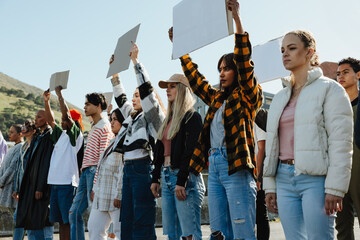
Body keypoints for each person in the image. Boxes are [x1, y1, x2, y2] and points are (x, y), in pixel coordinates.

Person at [170, 0, 262, 238]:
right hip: (215, 166)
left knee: (242, 229)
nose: (221, 72)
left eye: (227, 68)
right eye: (219, 68)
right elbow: (197, 80)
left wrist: (237, 19)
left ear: (237, 72)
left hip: (237, 167)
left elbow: (244, 60)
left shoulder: (248, 96)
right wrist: (181, 49)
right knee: (218, 231)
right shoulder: (216, 98)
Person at [263, 30, 353, 240]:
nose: (285, 54)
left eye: (292, 48)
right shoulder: (279, 97)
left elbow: (341, 142)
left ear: (309, 52)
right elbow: (272, 144)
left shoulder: (331, 89)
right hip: (283, 178)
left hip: (316, 180)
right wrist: (270, 185)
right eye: (283, 50)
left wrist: (335, 188)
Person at [109, 42, 165, 240]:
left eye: (137, 96)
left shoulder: (151, 115)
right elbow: (120, 99)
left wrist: (135, 62)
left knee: (142, 219)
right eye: (133, 96)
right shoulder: (131, 117)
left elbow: (147, 91)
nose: (133, 99)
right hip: (129, 169)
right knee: (128, 219)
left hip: (142, 167)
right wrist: (115, 75)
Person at [150, 74, 205, 240]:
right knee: (172, 233)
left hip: (183, 177)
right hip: (166, 176)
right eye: (167, 86)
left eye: (172, 86)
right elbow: (159, 152)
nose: (167, 90)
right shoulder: (168, 120)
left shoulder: (192, 117)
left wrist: (181, 180)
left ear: (182, 90)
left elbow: (191, 152)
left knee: (189, 234)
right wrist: (155, 178)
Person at [69, 92, 113, 240]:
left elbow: (103, 157)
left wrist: (95, 185)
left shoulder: (105, 127)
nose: (84, 106)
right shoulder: (94, 126)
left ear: (98, 106)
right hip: (85, 172)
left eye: (88, 104)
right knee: (74, 213)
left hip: (94, 172)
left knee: (96, 219)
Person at [43, 87, 84, 240]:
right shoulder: (61, 135)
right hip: (54, 183)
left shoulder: (76, 137)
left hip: (68, 184)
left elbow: (66, 116)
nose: (62, 122)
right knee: (60, 222)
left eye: (65, 120)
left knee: (68, 222)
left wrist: (59, 95)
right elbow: (51, 121)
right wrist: (46, 102)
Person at [16, 110, 55, 240]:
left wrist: (40, 187)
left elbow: (45, 164)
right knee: (31, 224)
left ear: (47, 119)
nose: (36, 119)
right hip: (30, 187)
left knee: (40, 223)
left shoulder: (49, 137)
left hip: (40, 187)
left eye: (39, 117)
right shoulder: (38, 137)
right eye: (36, 116)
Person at [88, 108, 126, 240]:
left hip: (116, 198)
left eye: (115, 119)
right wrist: (94, 189)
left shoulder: (126, 142)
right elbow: (101, 168)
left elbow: (123, 170)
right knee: (94, 230)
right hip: (101, 197)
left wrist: (119, 195)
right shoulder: (111, 142)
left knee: (121, 233)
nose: (112, 123)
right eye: (111, 119)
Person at [335, 57, 360, 240]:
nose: (340, 76)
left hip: (359, 169)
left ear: (358, 75)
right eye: (338, 73)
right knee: (342, 225)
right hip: (340, 171)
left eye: (345, 72)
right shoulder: (333, 109)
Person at [12, 119, 38, 240]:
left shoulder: (36, 146)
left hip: (31, 187)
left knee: (28, 219)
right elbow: (19, 169)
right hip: (22, 188)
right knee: (18, 217)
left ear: (33, 130)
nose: (23, 128)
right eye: (23, 125)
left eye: (27, 126)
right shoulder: (23, 147)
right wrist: (16, 188)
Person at [253, 112, 270, 240]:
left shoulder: (256, 116)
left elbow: (261, 147)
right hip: (247, 172)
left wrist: (258, 175)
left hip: (256, 173)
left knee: (260, 212)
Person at [0, 124, 23, 210]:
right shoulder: (15, 146)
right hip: (6, 186)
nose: (9, 134)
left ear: (20, 134)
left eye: (12, 132)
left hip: (11, 188)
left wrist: (1, 182)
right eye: (9, 132)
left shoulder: (20, 147)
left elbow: (13, 168)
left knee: (13, 214)